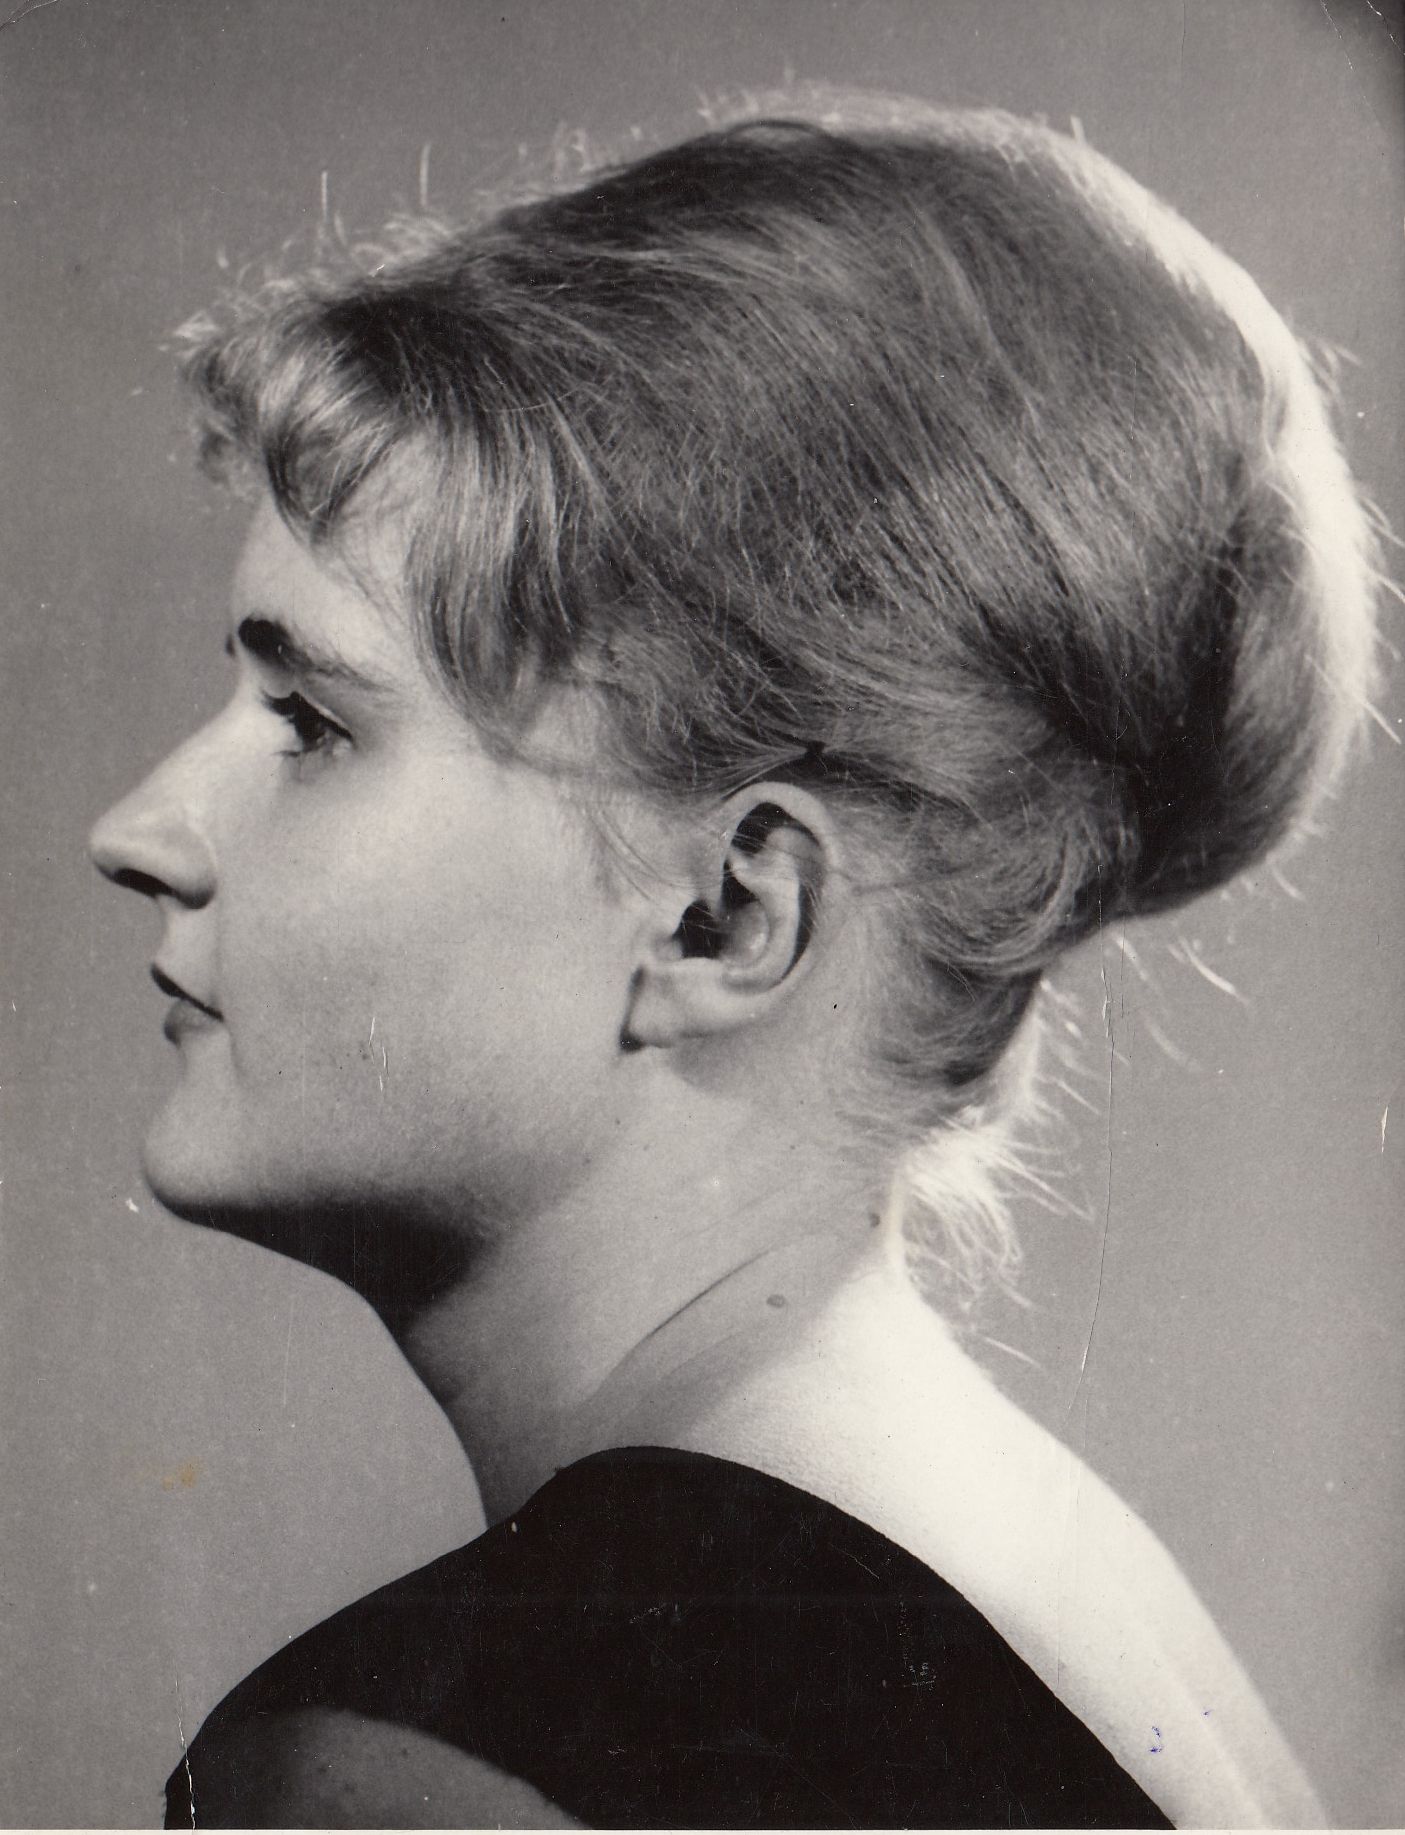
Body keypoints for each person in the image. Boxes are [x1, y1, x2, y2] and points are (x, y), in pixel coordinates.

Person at [90, 94, 1378, 1828]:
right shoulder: (1057, 1574)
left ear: (729, 914)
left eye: (314, 722)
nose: (141, 830)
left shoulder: (425, 1765)